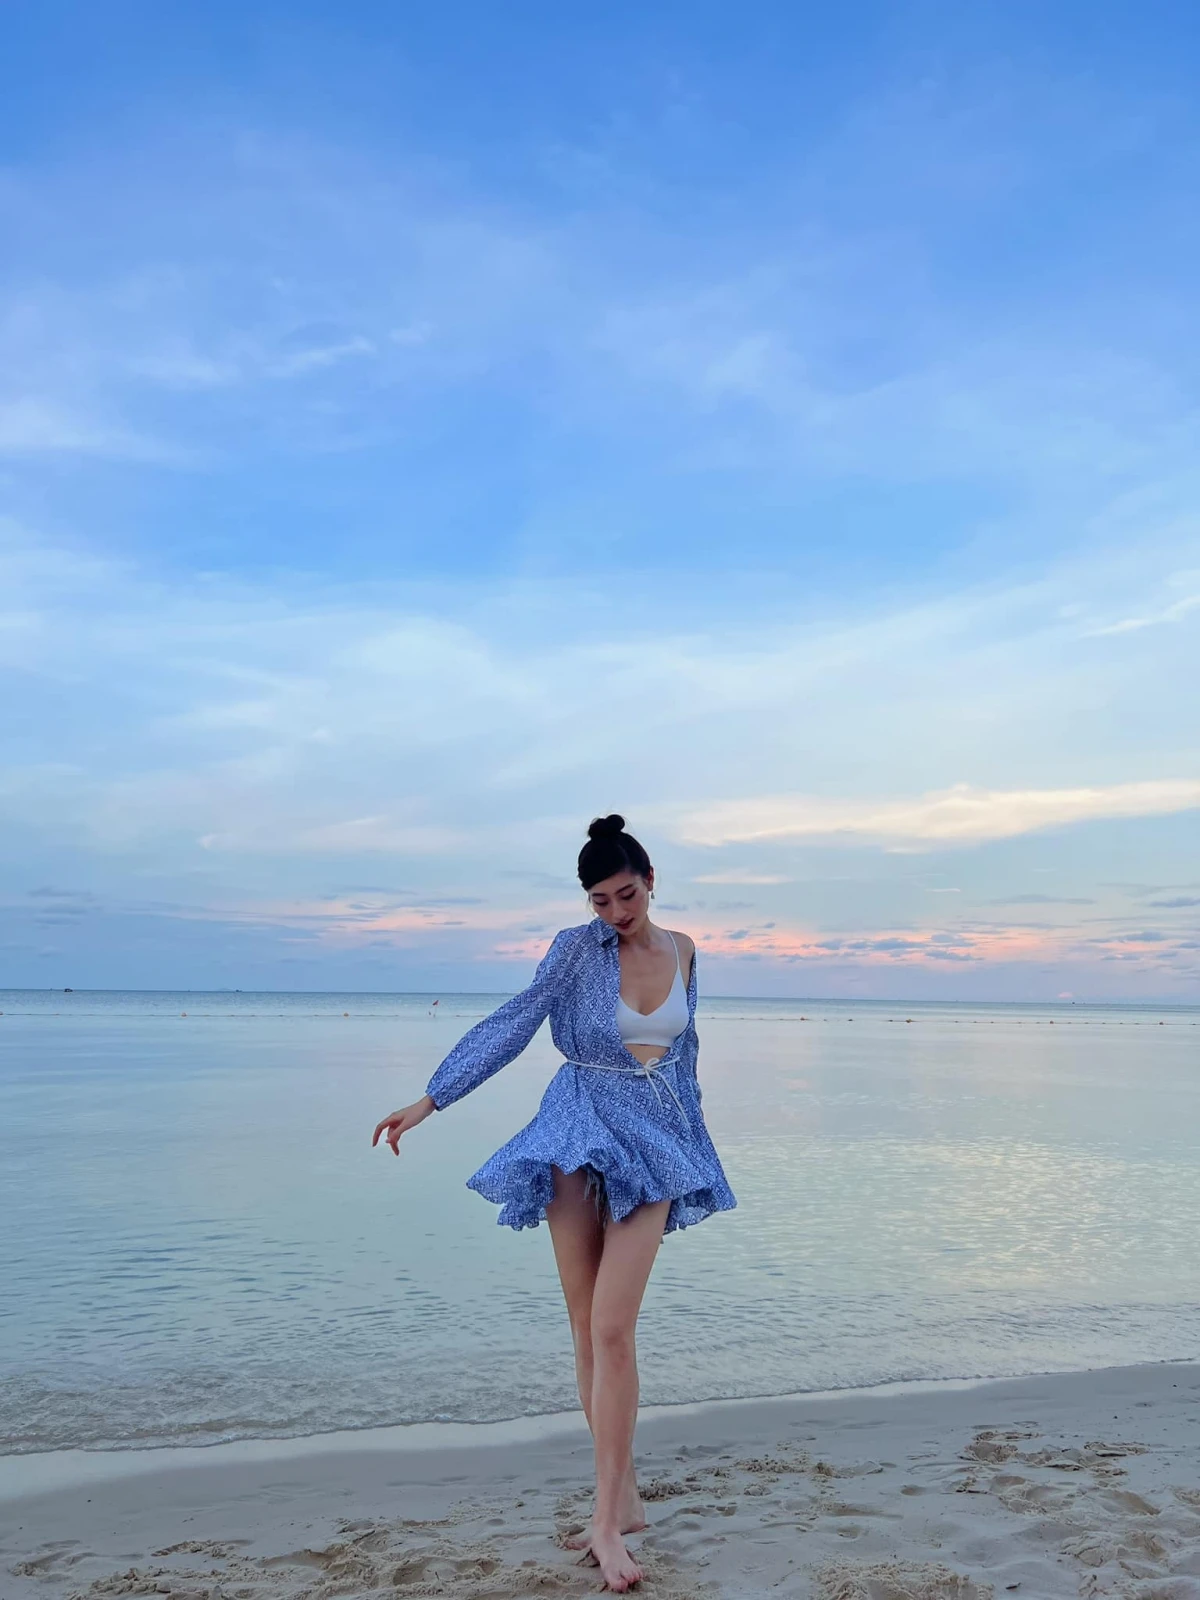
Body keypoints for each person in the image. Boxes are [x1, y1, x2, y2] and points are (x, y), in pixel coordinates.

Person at [372, 814, 736, 1592]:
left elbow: (686, 1057)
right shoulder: (575, 950)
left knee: (614, 1326)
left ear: (650, 881)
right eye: (600, 901)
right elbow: (516, 1020)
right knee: (586, 1326)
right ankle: (620, 1504)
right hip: (577, 1127)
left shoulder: (685, 950)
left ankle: (604, 1521)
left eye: (626, 895)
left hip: (655, 1139)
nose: (615, 913)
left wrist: (696, 1147)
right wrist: (433, 1098)